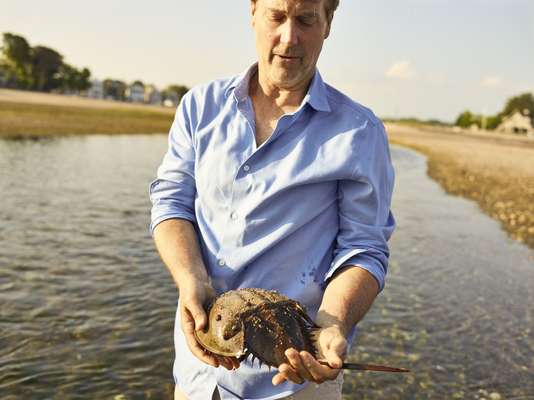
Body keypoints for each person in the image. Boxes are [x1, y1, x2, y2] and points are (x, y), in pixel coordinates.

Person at [149, 0, 395, 399]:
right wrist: (190, 279)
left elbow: (364, 249)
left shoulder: (359, 132)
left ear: (328, 23)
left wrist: (333, 324)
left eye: (306, 20)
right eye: (277, 16)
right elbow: (171, 203)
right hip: (200, 368)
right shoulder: (200, 107)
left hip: (296, 374)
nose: (289, 37)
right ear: (253, 13)